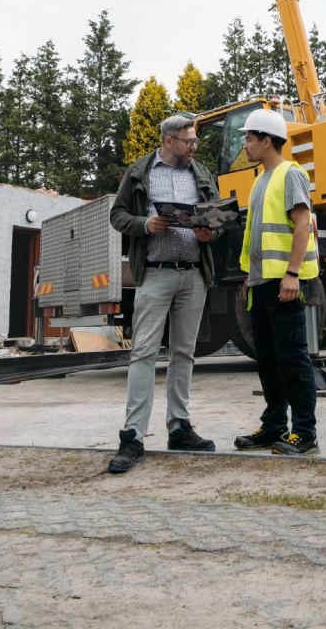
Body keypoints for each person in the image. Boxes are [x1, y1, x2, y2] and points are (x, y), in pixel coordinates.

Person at [107, 114, 219, 474]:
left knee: (185, 353)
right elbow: (117, 215)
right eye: (189, 141)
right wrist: (146, 224)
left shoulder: (199, 173)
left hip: (193, 275)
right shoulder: (139, 173)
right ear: (169, 140)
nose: (194, 147)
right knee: (143, 353)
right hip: (154, 275)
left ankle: (180, 428)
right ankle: (133, 436)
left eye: (195, 142)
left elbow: (216, 218)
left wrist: (210, 232)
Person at [233, 108, 320, 457]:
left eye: (250, 138)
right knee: (268, 359)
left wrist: (292, 274)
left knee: (293, 359)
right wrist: (248, 277)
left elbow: (302, 225)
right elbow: (256, 235)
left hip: (284, 284)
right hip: (261, 284)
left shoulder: (290, 175)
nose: (246, 144)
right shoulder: (260, 179)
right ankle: (273, 427)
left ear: (266, 140)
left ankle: (305, 433)